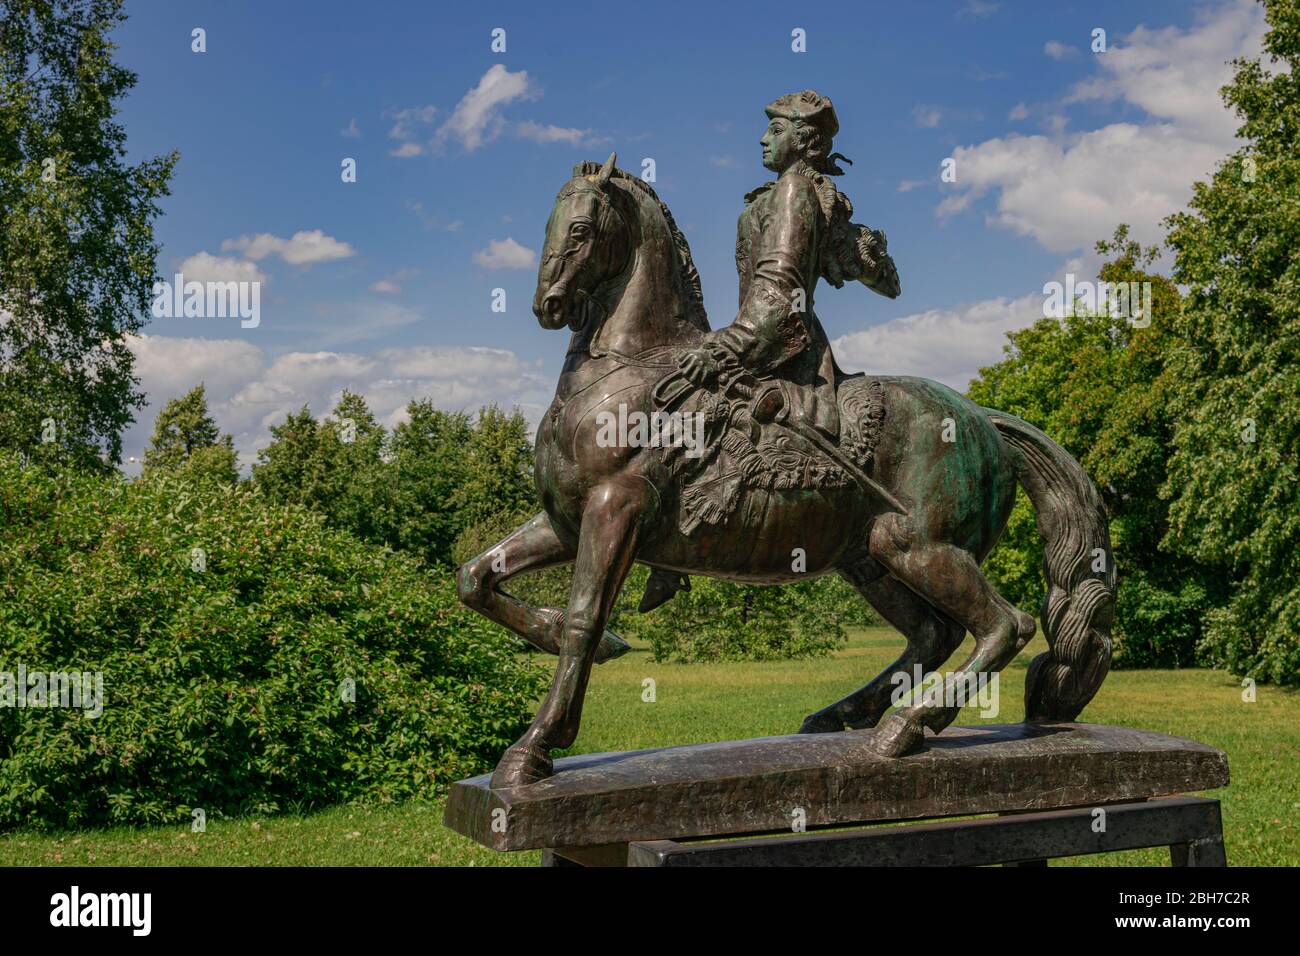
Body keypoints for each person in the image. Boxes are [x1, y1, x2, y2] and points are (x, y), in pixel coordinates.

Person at [640, 89, 900, 613]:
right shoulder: (779, 194)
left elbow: (780, 296)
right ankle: (661, 550)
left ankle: (663, 546)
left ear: (805, 140)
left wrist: (723, 350)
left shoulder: (794, 192)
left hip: (779, 348)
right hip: (758, 337)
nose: (762, 138)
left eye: (776, 129)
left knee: (681, 410)